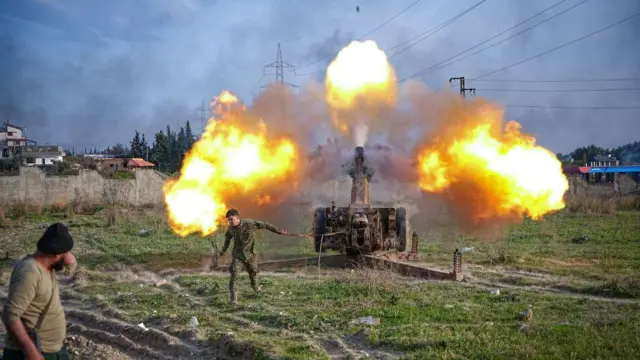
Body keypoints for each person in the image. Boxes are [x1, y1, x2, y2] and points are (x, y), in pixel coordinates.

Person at [2, 223, 78, 360]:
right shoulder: (29, 272)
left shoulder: (47, 266)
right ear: (56, 255)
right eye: (64, 253)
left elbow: (70, 266)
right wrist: (32, 353)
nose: (67, 256)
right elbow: (10, 315)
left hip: (55, 351)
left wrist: (63, 244)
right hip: (31, 354)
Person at [218, 208, 287, 305]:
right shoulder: (230, 229)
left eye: (231, 219)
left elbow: (265, 225)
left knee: (253, 272)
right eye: (228, 220)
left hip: (250, 254)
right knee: (234, 275)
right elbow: (227, 241)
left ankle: (256, 288)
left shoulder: (250, 223)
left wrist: (278, 231)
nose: (230, 222)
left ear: (237, 218)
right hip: (238, 255)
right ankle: (234, 299)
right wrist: (222, 252)